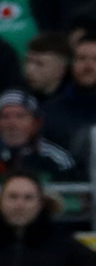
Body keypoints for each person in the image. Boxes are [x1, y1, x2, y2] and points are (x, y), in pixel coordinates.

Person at [0, 90, 80, 184]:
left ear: (36, 123)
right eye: (5, 116)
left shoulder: (58, 160)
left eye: (20, 116)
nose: (12, 124)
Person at [42, 31, 96, 170]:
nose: (88, 66)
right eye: (82, 58)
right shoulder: (50, 112)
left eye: (95, 59)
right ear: (71, 64)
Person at [22, 33, 71, 104]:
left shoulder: (74, 102)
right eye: (28, 61)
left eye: (39, 63)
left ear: (61, 70)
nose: (29, 70)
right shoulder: (19, 99)